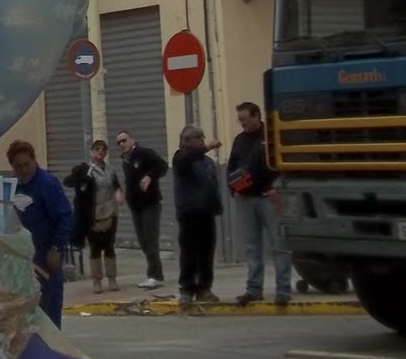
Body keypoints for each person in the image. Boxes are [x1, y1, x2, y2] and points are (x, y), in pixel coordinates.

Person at [228, 101, 292, 308]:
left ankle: (283, 291)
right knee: (252, 246)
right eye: (240, 120)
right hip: (246, 199)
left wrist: (278, 187)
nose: (242, 123)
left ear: (256, 116)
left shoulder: (272, 137)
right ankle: (254, 289)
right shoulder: (239, 140)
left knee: (279, 245)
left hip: (269, 198)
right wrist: (233, 189)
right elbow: (232, 166)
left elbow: (285, 164)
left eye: (244, 119)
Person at [6, 139, 74, 328]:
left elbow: (65, 217)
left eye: (27, 164)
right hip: (22, 261)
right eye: (18, 166)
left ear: (34, 160)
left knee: (49, 316)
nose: (24, 170)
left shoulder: (47, 184)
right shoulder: (13, 187)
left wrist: (56, 248)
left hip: (46, 259)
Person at [172, 125, 223, 307]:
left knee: (206, 253)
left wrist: (216, 205)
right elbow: (185, 161)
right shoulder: (181, 157)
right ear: (187, 141)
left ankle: (204, 288)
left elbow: (212, 185)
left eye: (203, 138)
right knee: (189, 253)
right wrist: (207, 147)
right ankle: (187, 289)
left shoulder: (207, 162)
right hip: (189, 213)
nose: (202, 141)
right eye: (198, 138)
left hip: (206, 212)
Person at [67, 139, 124, 293]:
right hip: (92, 213)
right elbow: (72, 183)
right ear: (92, 152)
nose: (100, 151)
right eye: (97, 149)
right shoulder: (86, 170)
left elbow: (116, 185)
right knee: (95, 247)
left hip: (110, 211)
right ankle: (96, 281)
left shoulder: (110, 170)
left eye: (103, 149)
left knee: (109, 246)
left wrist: (118, 193)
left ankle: (112, 279)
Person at [115, 129, 169, 288]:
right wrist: (124, 194)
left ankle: (156, 276)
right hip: (136, 206)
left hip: (150, 203)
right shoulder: (125, 160)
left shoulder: (144, 153)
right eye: (119, 142)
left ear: (132, 140)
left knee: (150, 239)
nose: (122, 144)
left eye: (124, 140)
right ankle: (154, 274)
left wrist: (149, 176)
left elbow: (163, 166)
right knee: (143, 241)